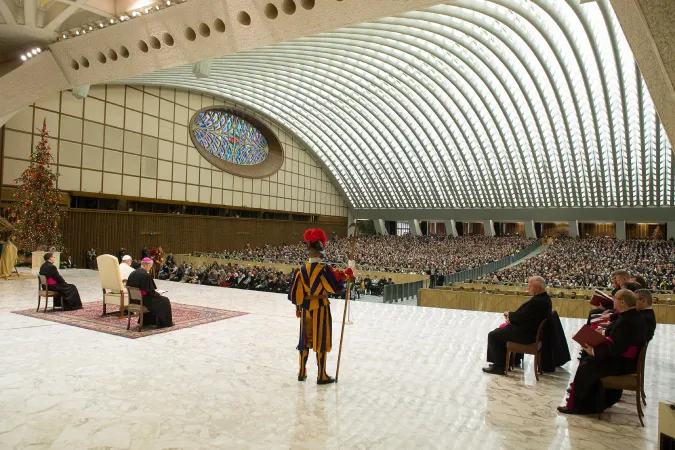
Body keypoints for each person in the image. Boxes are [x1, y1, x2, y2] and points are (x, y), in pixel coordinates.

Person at [558, 289, 647, 415]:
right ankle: (595, 402)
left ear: (622, 302)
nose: (612, 299)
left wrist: (594, 351)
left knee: (586, 365)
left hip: (623, 363)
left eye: (615, 298)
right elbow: (618, 339)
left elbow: (616, 349)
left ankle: (580, 406)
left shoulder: (627, 321)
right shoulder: (632, 316)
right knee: (588, 361)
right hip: (625, 360)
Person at [288, 228, 353, 385]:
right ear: (321, 249)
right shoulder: (323, 270)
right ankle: (321, 374)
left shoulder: (300, 271)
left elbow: (294, 294)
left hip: (305, 308)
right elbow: (335, 287)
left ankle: (302, 371)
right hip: (321, 308)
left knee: (305, 339)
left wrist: (299, 307)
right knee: (321, 340)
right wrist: (347, 275)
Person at [483, 276, 552, 375]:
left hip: (526, 334)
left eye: (530, 286)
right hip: (530, 331)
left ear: (537, 288)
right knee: (500, 331)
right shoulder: (543, 298)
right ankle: (508, 361)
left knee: (493, 335)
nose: (528, 288)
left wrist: (510, 315)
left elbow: (524, 317)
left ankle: (499, 367)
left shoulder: (538, 301)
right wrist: (511, 317)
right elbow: (527, 316)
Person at [126, 258, 174, 328]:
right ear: (148, 265)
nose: (150, 268)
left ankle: (147, 321)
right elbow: (149, 293)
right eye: (150, 266)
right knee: (165, 300)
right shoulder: (145, 275)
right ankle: (165, 323)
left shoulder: (132, 273)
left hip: (134, 300)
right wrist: (158, 294)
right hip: (143, 300)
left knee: (157, 299)